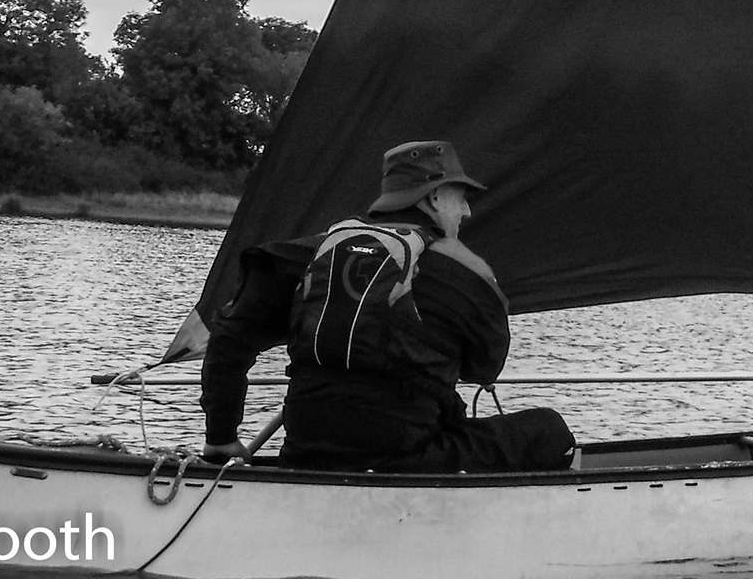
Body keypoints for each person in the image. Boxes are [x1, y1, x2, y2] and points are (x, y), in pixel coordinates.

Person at [201, 140, 576, 473]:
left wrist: (222, 438)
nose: (466, 211)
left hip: (303, 455)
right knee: (549, 432)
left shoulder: (303, 255)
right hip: (408, 459)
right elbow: (485, 369)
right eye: (460, 197)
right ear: (434, 197)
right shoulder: (466, 274)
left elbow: (229, 338)